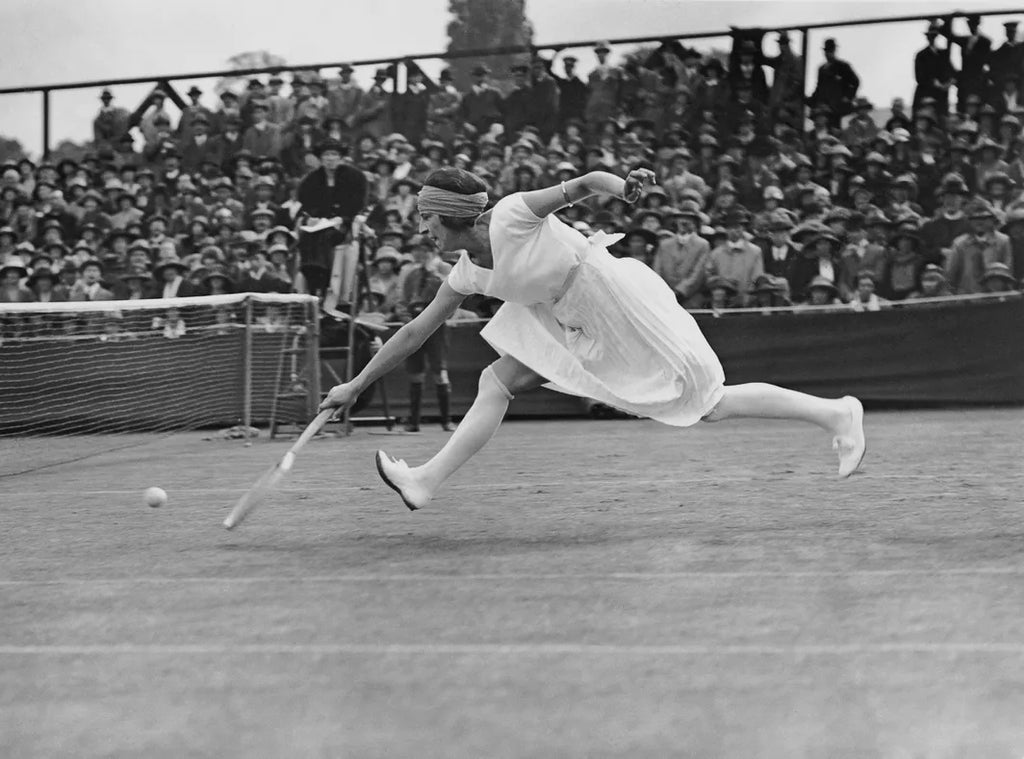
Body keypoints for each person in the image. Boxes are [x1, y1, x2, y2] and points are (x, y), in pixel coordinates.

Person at [318, 167, 866, 513]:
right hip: (559, 314)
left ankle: (838, 413)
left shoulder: (512, 215)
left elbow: (582, 185)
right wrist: (356, 385)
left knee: (709, 403)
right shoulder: (465, 273)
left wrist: (623, 187)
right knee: (496, 380)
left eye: (427, 219)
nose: (422, 230)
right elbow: (415, 332)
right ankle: (424, 482)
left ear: (452, 215)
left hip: (607, 295)